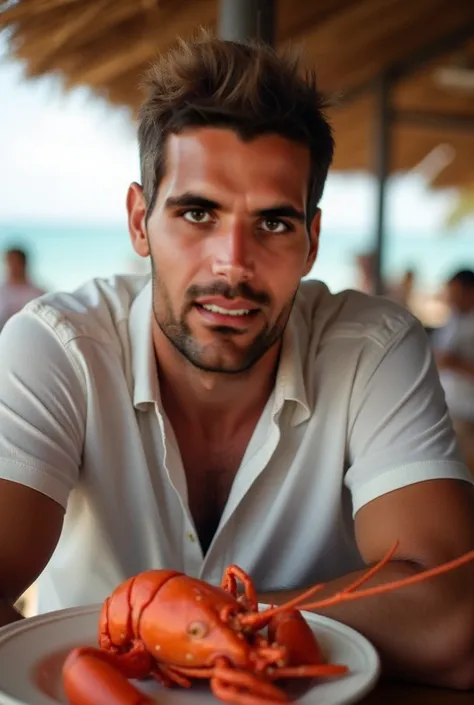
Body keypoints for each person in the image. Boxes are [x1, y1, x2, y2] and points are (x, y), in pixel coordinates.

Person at [1, 33, 474, 690]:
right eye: (198, 212)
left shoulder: (375, 347)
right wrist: (269, 619)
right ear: (140, 221)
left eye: (275, 223)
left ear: (311, 241)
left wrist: (216, 620)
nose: (233, 263)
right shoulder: (55, 345)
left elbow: (454, 619)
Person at [432, 269, 474, 470]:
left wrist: (456, 363)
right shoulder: (452, 320)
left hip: (468, 414)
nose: (451, 298)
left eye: (456, 292)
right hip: (449, 409)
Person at [0, 247, 45, 330]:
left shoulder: (39, 294)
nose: (12, 267)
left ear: (24, 264)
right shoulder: (1, 292)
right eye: (9, 262)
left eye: (16, 262)